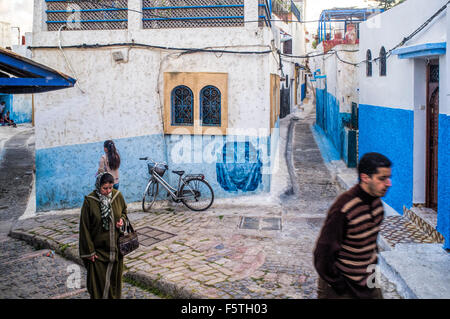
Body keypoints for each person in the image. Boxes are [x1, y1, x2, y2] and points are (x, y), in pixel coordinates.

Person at [313, 152, 392, 299]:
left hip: (368, 280)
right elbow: (322, 253)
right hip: (341, 286)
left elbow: (369, 245)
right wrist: (339, 284)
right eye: (382, 179)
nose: (388, 183)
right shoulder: (344, 208)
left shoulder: (377, 205)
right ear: (365, 178)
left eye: (388, 178)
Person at [79, 172, 127, 299]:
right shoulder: (90, 201)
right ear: (98, 186)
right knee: (98, 287)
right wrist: (90, 251)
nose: (108, 191)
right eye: (105, 188)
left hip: (116, 251)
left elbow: (124, 212)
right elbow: (84, 228)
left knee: (114, 285)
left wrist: (122, 220)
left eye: (110, 188)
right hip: (98, 253)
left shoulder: (117, 196)